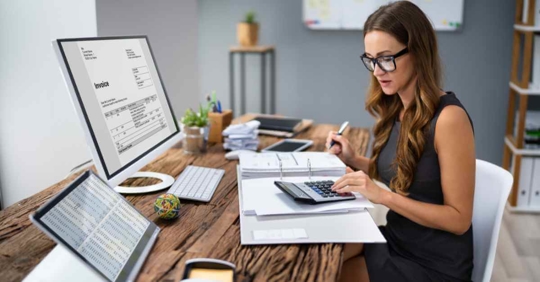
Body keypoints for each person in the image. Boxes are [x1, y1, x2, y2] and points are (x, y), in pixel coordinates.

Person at [326, 2, 475, 281]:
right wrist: (354, 160)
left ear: (417, 52)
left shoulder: (449, 119)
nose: (377, 71)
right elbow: (408, 177)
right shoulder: (398, 108)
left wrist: (383, 196)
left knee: (332, 273)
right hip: (396, 239)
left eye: (385, 58)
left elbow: (459, 219)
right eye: (370, 59)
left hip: (434, 264)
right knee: (319, 257)